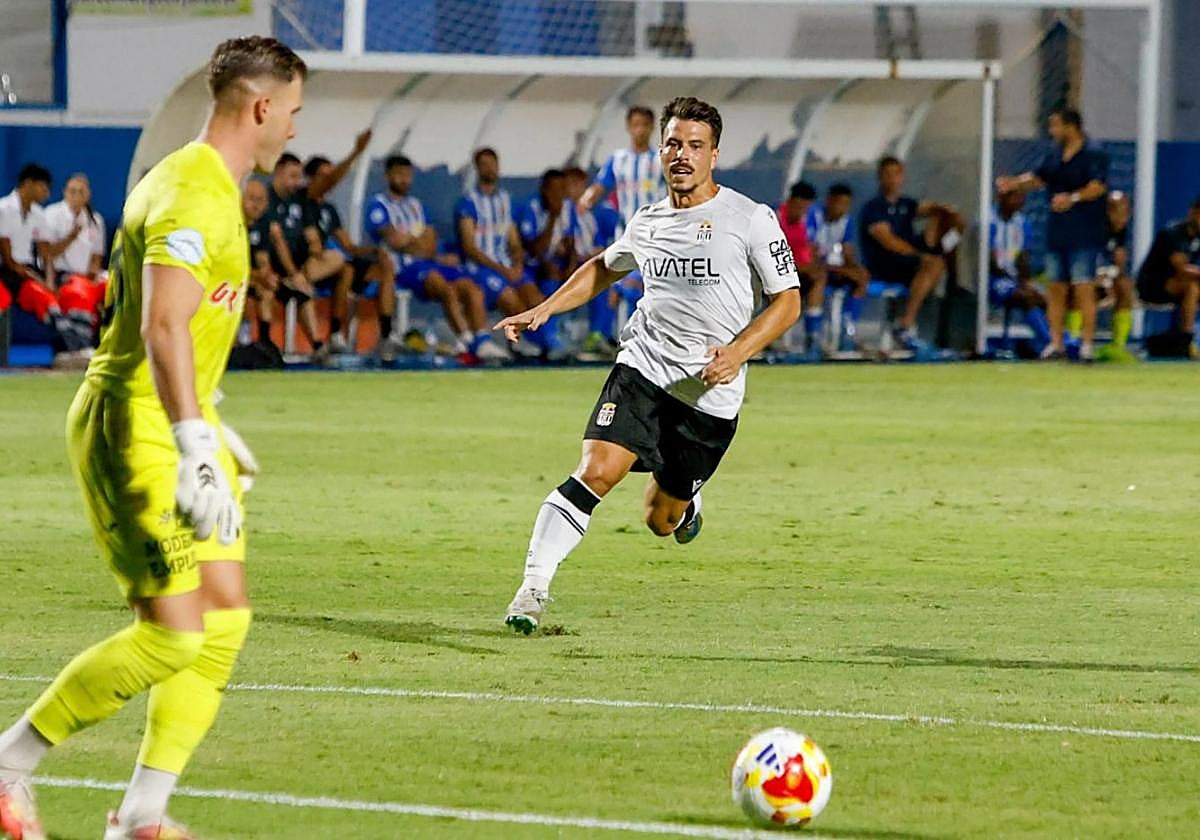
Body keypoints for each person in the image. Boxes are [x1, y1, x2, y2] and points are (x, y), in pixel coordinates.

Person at [0, 36, 305, 840]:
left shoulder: (202, 182)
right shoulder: (194, 191)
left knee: (225, 619)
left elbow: (175, 327)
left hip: (173, 418)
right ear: (262, 107)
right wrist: (195, 441)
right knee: (173, 634)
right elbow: (162, 324)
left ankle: (141, 814)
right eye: (294, 112)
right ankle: (9, 763)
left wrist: (209, 418)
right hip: (135, 428)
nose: (295, 129)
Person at [497, 96, 801, 634]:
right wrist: (545, 308)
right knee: (594, 472)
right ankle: (532, 589)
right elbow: (604, 266)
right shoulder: (648, 220)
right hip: (643, 369)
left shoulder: (750, 218)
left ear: (714, 155)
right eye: (674, 144)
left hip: (708, 396)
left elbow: (788, 301)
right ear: (660, 152)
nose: (683, 155)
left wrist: (737, 352)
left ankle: (687, 503)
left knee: (660, 521)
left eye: (696, 146)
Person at [366, 154, 507, 362]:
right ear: (388, 176)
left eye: (408, 175)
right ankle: (468, 341)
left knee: (471, 288)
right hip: (404, 269)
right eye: (399, 175)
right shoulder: (378, 205)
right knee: (445, 288)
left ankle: (482, 339)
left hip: (431, 262)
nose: (405, 179)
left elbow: (430, 242)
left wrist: (412, 241)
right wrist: (417, 240)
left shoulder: (417, 206)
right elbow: (393, 240)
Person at [996, 107, 1109, 361]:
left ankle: (1086, 344)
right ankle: (1056, 343)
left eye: (1056, 125)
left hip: (1085, 232)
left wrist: (1073, 198)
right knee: (1056, 288)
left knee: (1083, 288)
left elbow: (1097, 186)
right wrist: (1014, 183)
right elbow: (1039, 178)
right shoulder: (1054, 153)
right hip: (1058, 231)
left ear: (1071, 126)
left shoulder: (1094, 153)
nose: (1052, 131)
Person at [456, 147, 563, 358]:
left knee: (536, 298)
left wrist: (517, 264)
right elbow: (469, 247)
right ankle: (518, 342)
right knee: (511, 299)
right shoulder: (468, 202)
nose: (490, 169)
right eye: (484, 165)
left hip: (506, 266)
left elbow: (513, 240)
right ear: (477, 169)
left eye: (493, 164)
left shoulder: (505, 201)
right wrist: (502, 269)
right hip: (481, 268)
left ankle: (548, 343)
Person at [859, 155, 964, 353]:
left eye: (896, 174)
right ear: (880, 177)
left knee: (947, 221)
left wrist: (947, 211)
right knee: (932, 263)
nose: (892, 179)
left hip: (910, 261)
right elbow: (888, 241)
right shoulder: (874, 208)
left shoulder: (906, 204)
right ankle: (906, 324)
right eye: (888, 174)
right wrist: (919, 254)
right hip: (886, 264)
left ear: (902, 176)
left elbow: (929, 209)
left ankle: (951, 277)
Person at [303, 154, 400, 360]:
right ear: (311, 178)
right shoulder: (304, 204)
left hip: (337, 261)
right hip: (317, 266)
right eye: (324, 176)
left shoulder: (329, 209)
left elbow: (348, 246)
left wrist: (374, 251)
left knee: (384, 267)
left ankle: (386, 334)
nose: (329, 181)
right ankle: (336, 333)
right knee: (346, 269)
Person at [0, 163, 94, 365]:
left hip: (24, 276)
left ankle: (73, 352)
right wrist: (40, 281)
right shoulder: (4, 209)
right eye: (43, 187)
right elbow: (9, 261)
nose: (47, 193)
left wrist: (50, 283)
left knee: (52, 306)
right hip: (5, 272)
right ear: (28, 184)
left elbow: (46, 254)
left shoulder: (38, 214)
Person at [265, 152, 340, 359]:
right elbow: (277, 240)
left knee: (335, 258)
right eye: (292, 176)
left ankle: (299, 281)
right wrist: (293, 273)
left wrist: (315, 251)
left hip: (301, 265)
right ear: (278, 172)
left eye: (298, 177)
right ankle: (316, 344)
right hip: (275, 266)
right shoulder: (267, 198)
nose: (296, 182)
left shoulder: (301, 200)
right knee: (302, 292)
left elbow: (311, 235)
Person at [41, 173, 109, 346]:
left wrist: (92, 276)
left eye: (81, 192)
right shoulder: (51, 214)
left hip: (86, 276)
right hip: (61, 275)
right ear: (64, 192)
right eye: (72, 191)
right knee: (79, 291)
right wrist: (71, 237)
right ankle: (78, 345)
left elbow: (96, 256)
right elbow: (47, 254)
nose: (77, 196)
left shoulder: (96, 220)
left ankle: (108, 343)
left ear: (88, 195)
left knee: (114, 285)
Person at [566, 166, 627, 358]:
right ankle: (593, 338)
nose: (577, 189)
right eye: (572, 184)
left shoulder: (589, 215)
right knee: (601, 282)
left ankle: (601, 336)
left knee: (616, 285)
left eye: (580, 184)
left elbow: (599, 243)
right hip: (570, 265)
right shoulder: (564, 213)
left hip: (589, 262)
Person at [578, 105, 667, 227]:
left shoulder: (661, 158)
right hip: (625, 227)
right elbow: (600, 184)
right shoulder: (618, 159)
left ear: (652, 127)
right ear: (628, 127)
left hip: (654, 227)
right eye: (636, 124)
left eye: (645, 124)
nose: (640, 130)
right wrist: (586, 199)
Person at [807, 183, 869, 351]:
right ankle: (813, 337)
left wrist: (853, 269)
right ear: (830, 201)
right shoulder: (814, 216)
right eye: (840, 204)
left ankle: (848, 330)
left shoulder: (846, 221)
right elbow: (809, 252)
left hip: (834, 268)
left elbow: (847, 251)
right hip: (815, 267)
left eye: (847, 205)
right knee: (818, 277)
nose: (843, 209)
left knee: (862, 276)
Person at [989, 189, 1051, 356]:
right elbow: (990, 261)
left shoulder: (1023, 223)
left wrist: (1025, 282)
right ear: (1002, 197)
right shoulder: (989, 221)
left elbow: (1023, 258)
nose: (1020, 201)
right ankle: (1048, 342)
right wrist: (1018, 284)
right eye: (1015, 196)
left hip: (1013, 279)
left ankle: (1048, 343)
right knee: (1026, 298)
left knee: (1044, 297)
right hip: (992, 279)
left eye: (1021, 197)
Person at [1136, 197, 1200, 354]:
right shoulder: (1173, 233)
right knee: (1191, 287)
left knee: (1192, 286)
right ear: (1193, 212)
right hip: (1152, 285)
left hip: (1177, 286)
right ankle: (1185, 341)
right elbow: (1181, 268)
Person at [777, 181, 818, 356]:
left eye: (806, 208)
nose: (802, 211)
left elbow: (810, 250)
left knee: (819, 277)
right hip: (775, 271)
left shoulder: (809, 220)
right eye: (800, 206)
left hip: (799, 272)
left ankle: (812, 338)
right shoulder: (774, 217)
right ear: (791, 202)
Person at [1093, 191, 1135, 362]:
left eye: (1125, 212)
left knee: (1125, 286)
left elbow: (1119, 264)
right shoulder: (1091, 229)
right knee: (1083, 289)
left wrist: (1110, 278)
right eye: (1116, 210)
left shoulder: (1120, 232)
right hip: (1077, 279)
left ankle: (1118, 346)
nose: (1121, 217)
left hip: (1102, 280)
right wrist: (1101, 279)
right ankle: (1072, 342)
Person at [243, 179, 279, 346]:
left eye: (261, 200)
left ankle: (264, 341)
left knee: (266, 289)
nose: (256, 205)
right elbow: (229, 266)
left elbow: (262, 258)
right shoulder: (232, 223)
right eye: (252, 199)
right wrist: (257, 277)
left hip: (249, 275)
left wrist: (265, 276)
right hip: (226, 276)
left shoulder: (262, 225)